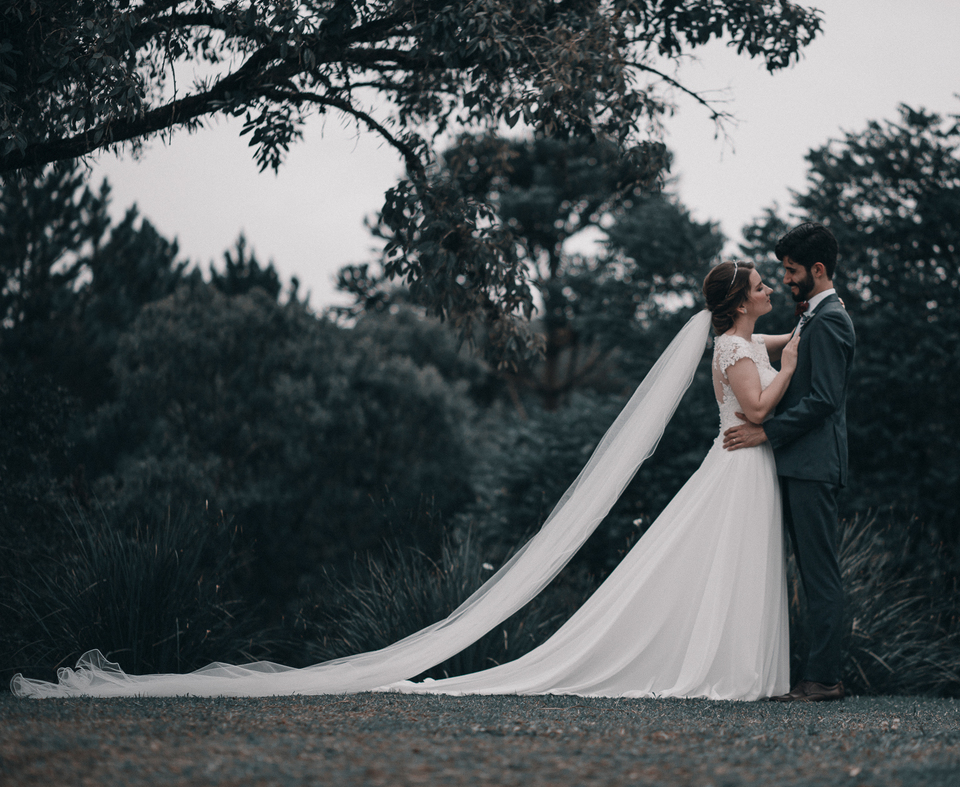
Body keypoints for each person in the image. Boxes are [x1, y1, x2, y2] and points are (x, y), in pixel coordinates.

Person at [11, 260, 801, 701]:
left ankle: (733, 663)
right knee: (714, 565)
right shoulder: (737, 352)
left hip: (740, 462)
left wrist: (797, 331)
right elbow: (759, 391)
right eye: (762, 284)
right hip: (737, 464)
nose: (770, 287)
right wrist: (791, 365)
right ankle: (717, 667)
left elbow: (761, 348)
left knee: (721, 568)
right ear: (738, 301)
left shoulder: (741, 339)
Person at [723, 222, 856, 703]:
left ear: (817, 270)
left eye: (792, 270)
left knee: (820, 574)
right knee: (808, 572)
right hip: (799, 463)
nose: (785, 279)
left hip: (813, 465)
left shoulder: (832, 320)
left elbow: (823, 399)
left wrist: (765, 431)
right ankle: (812, 674)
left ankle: (823, 679)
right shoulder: (811, 318)